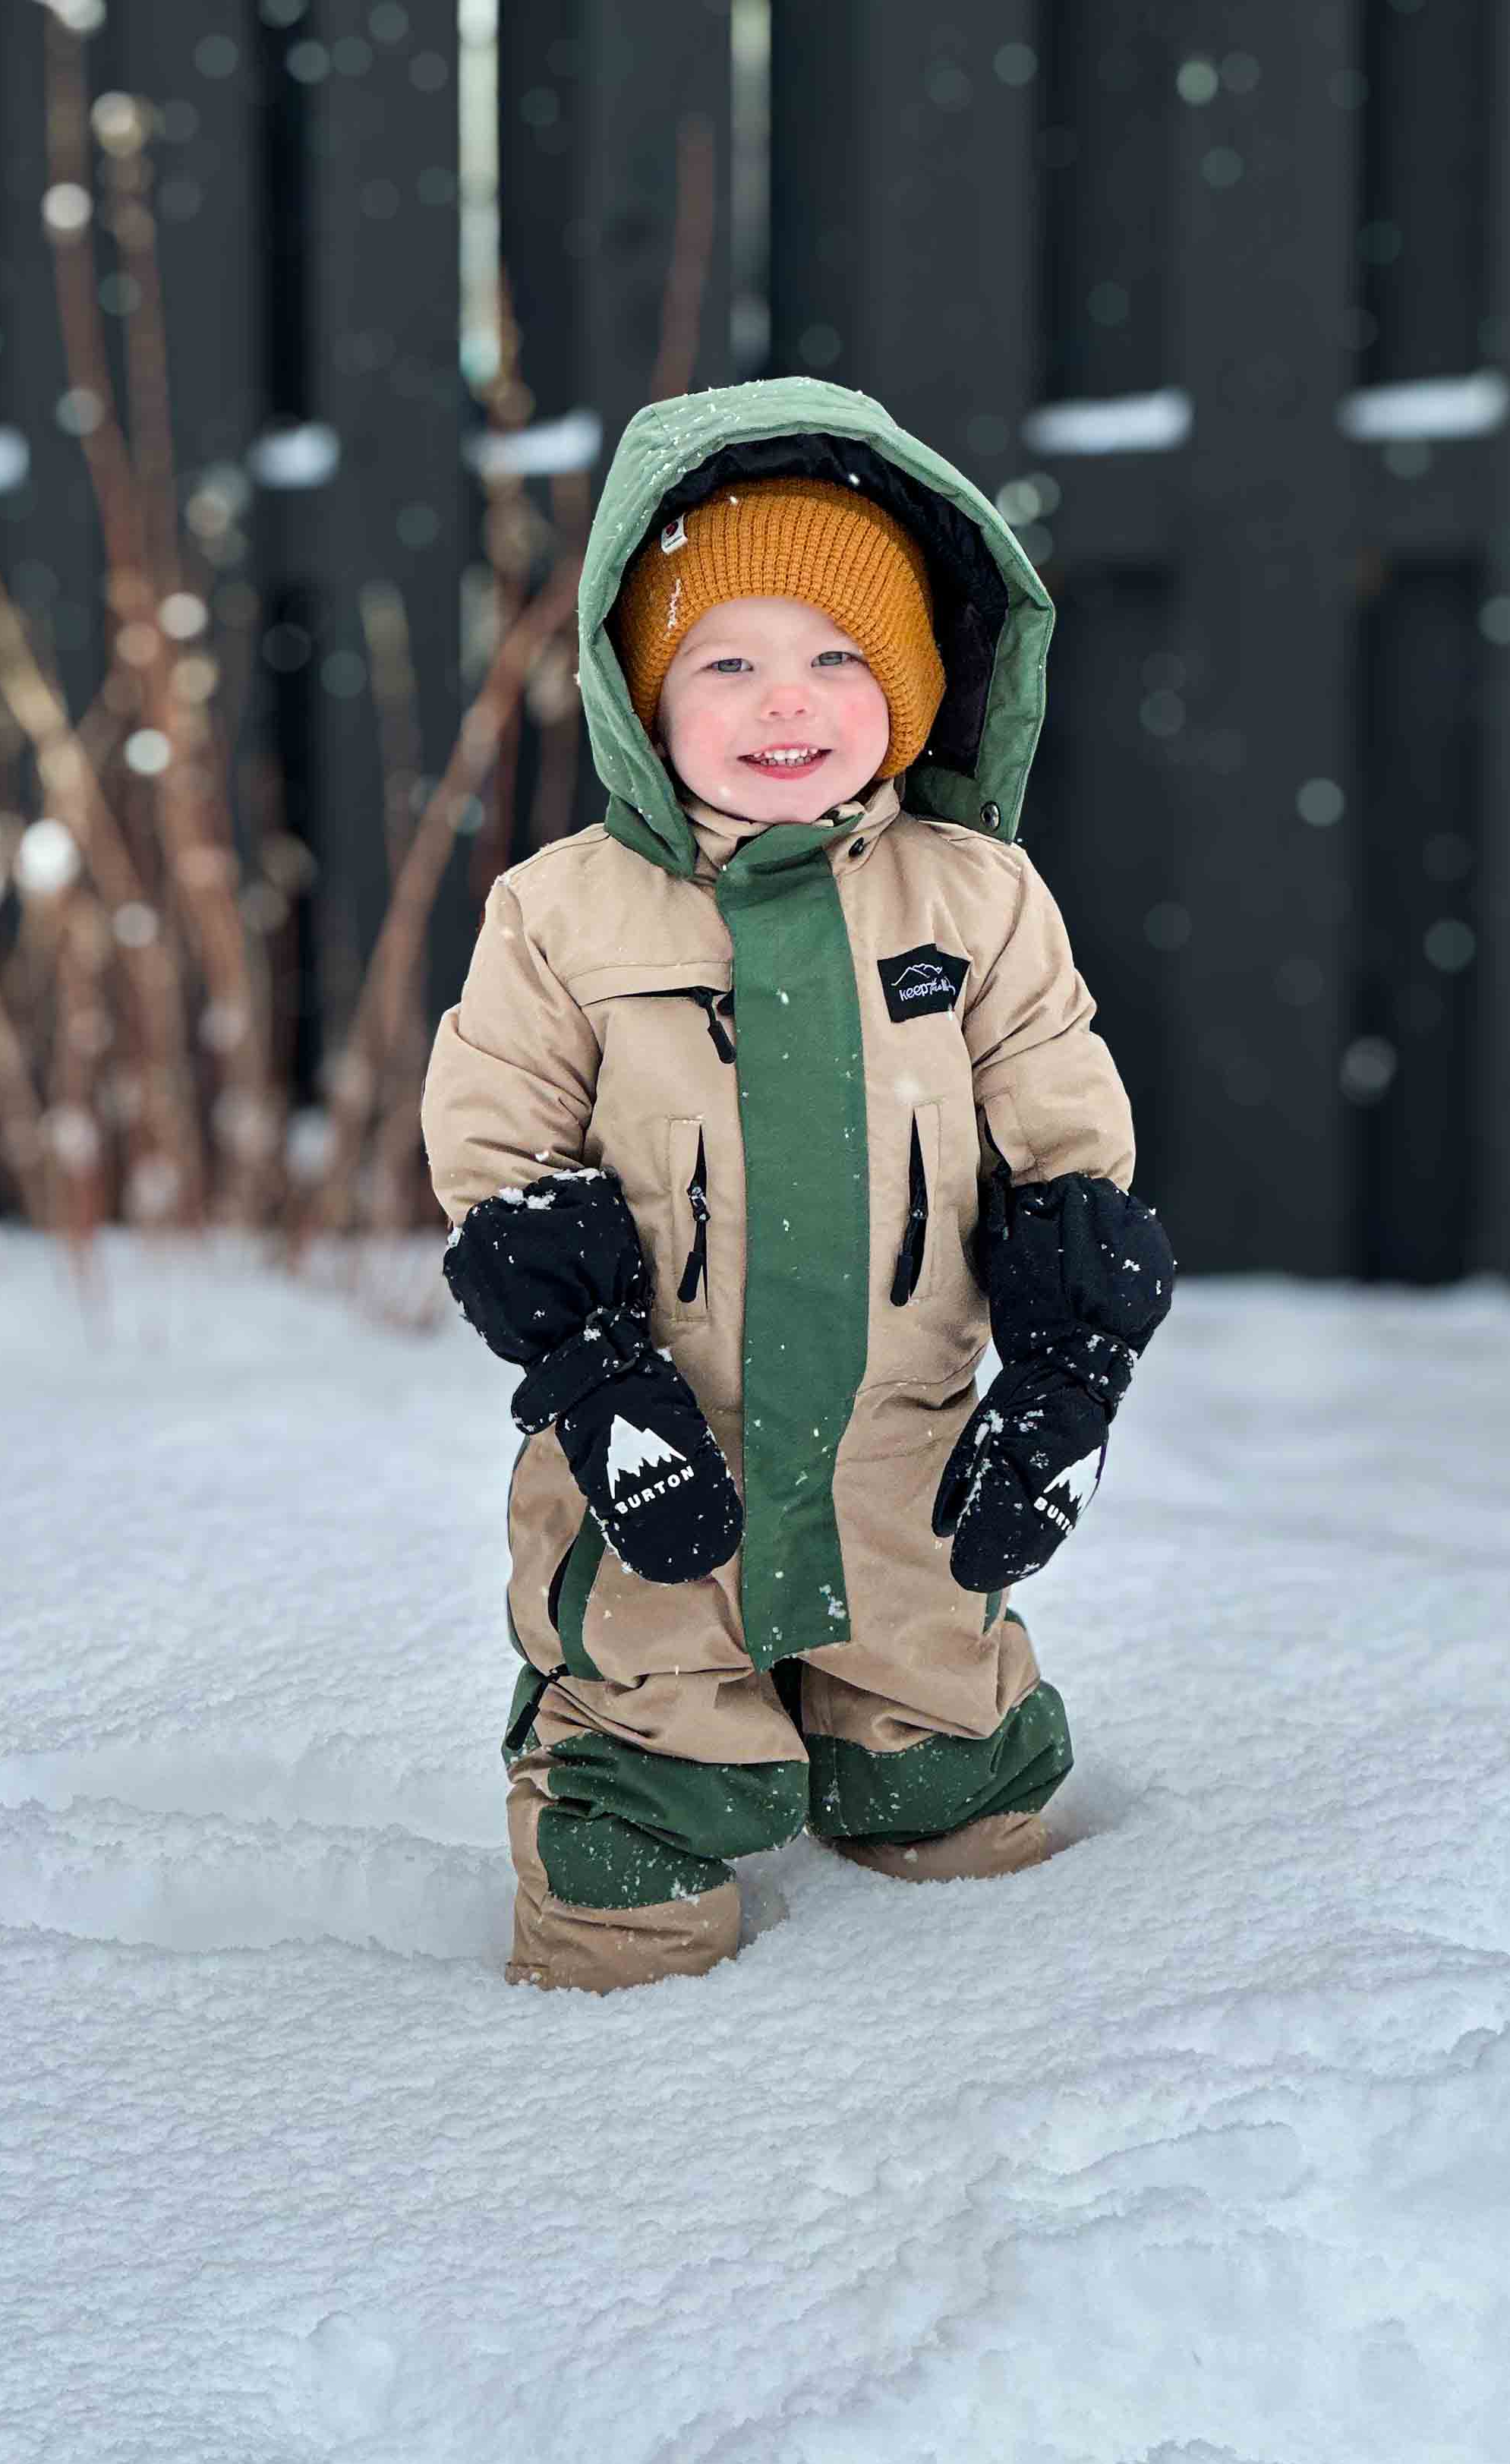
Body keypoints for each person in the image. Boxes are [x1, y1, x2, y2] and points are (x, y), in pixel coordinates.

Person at [421, 376, 1174, 1994]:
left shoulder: (974, 900)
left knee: (953, 1762)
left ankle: (956, 1930)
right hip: (654, 1450)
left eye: (841, 656)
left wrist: (1065, 1365)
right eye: (729, 658)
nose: (789, 700)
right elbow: (503, 1155)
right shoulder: (565, 915)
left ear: (904, 689)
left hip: (898, 1447)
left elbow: (1061, 1126)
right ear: (639, 690)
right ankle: (612, 1967)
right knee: (642, 1739)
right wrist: (598, 1379)